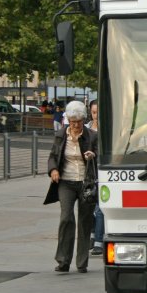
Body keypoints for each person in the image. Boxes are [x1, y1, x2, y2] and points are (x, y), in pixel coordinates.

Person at [45, 100, 98, 273]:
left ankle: (82, 263)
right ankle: (63, 261)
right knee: (66, 218)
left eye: (79, 121)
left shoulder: (92, 136)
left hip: (85, 183)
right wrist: (53, 169)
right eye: (72, 121)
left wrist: (93, 155)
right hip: (66, 182)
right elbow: (53, 155)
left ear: (83, 120)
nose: (75, 125)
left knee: (85, 221)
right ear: (67, 119)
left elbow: (102, 156)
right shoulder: (61, 135)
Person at [85, 99, 104, 256]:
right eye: (93, 112)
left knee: (99, 208)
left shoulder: (108, 128)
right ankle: (92, 235)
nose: (96, 115)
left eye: (98, 112)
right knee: (89, 204)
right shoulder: (86, 129)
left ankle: (98, 240)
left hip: (101, 170)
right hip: (88, 172)